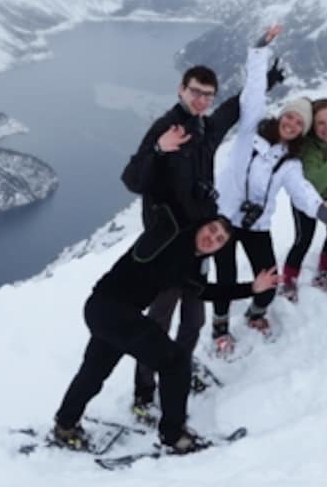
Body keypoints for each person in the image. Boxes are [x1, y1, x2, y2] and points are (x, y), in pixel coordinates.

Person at [121, 41, 284, 417]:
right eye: (195, 92)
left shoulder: (206, 129)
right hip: (165, 247)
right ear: (182, 89)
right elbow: (132, 179)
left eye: (207, 95)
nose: (201, 100)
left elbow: (233, 110)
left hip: (198, 243)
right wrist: (158, 151)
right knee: (159, 320)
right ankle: (144, 394)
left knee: (193, 319)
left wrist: (265, 82)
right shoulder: (166, 128)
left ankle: (179, 369)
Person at [52, 213, 278, 454]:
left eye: (220, 239)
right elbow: (167, 212)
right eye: (211, 230)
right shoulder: (172, 238)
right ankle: (174, 435)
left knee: (94, 372)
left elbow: (203, 291)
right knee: (176, 362)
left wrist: (252, 288)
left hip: (104, 312)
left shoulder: (189, 262)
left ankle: (65, 425)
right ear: (200, 225)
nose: (212, 238)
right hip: (113, 311)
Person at [211, 25, 327, 354]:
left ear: (302, 131)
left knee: (269, 280)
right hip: (225, 218)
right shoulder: (249, 131)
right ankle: (220, 327)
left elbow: (302, 191)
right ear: (281, 116)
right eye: (290, 117)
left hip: (256, 225)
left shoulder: (290, 162)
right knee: (225, 277)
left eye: (300, 123)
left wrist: (321, 211)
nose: (292, 123)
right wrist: (259, 51)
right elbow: (253, 92)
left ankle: (257, 314)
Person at [281, 98, 327, 300]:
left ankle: (324, 275)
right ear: (313, 125)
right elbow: (311, 182)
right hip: (308, 199)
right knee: (303, 239)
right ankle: (288, 282)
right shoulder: (308, 147)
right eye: (320, 123)